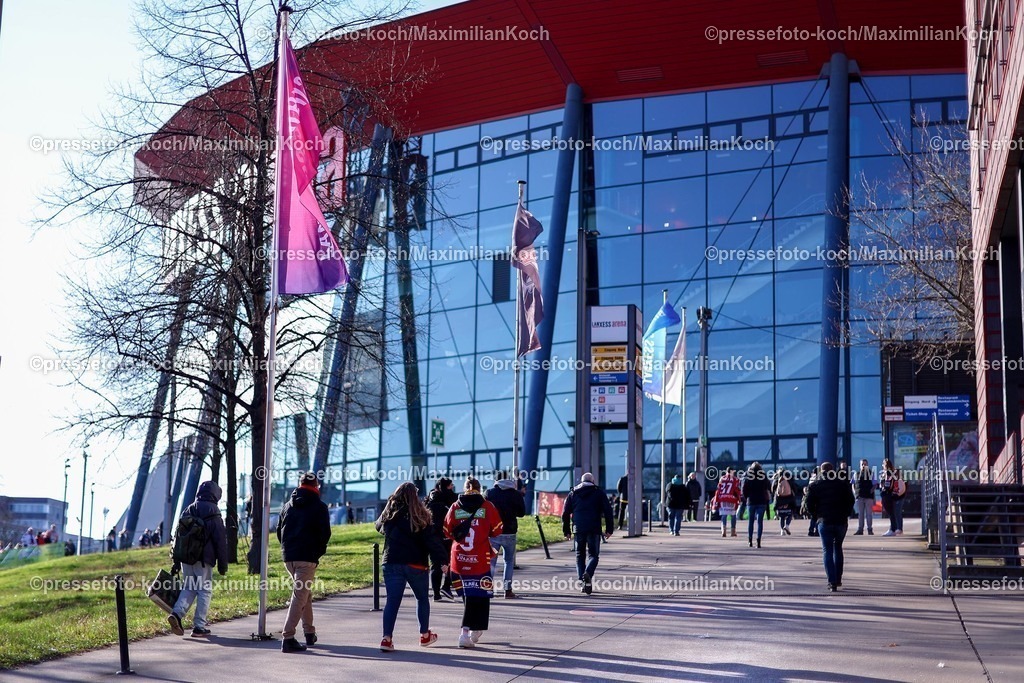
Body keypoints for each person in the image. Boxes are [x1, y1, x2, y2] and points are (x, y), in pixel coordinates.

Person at [375, 482, 446, 652]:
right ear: (416, 496)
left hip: (392, 562)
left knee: (392, 601)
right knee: (422, 598)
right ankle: (424, 635)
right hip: (416, 564)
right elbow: (432, 542)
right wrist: (443, 560)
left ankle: (386, 638)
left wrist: (389, 505)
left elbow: (378, 526)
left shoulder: (390, 515)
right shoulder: (421, 515)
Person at [443, 478, 503, 648]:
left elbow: (447, 531)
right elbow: (498, 530)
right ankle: (467, 631)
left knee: (468, 595)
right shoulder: (487, 506)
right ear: (479, 489)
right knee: (481, 593)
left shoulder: (455, 506)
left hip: (459, 559)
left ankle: (473, 630)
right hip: (480, 558)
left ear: (464, 489)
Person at [277, 471, 332, 653]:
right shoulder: (320, 506)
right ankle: (288, 637)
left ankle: (309, 633)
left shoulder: (287, 506)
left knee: (304, 594)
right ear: (316, 485)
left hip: (289, 557)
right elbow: (325, 534)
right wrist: (317, 553)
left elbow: (279, 530)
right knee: (300, 596)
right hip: (307, 558)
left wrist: (286, 549)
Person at [168, 480, 228, 638]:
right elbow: (220, 540)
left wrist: (176, 561)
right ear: (215, 494)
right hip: (204, 559)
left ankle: (177, 613)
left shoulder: (188, 509)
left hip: (186, 558)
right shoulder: (214, 511)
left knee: (189, 587)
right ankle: (199, 626)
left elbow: (178, 537)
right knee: (204, 591)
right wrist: (223, 564)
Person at [803, 462, 855, 591]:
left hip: (824, 520)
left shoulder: (815, 485)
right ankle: (838, 579)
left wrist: (816, 516)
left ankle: (831, 582)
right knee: (838, 548)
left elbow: (808, 504)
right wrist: (846, 513)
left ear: (821, 471)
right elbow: (851, 500)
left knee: (827, 550)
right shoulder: (842, 484)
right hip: (841, 521)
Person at [561, 472, 615, 595]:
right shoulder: (599, 493)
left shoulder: (573, 493)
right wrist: (609, 530)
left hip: (578, 528)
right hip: (594, 528)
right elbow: (608, 511)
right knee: (593, 555)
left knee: (579, 556)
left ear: (581, 481)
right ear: (593, 481)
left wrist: (567, 531)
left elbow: (565, 513)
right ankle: (588, 574)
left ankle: (582, 581)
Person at [485, 471, 526, 599]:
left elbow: (483, 511)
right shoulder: (515, 494)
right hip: (510, 532)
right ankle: (507, 591)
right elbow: (521, 513)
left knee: (491, 562)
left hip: (493, 532)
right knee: (508, 562)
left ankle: (488, 590)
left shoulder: (489, 493)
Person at [426, 477, 457, 601]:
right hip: (447, 535)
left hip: (433, 536)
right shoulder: (451, 499)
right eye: (450, 485)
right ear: (446, 487)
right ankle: (446, 586)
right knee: (451, 562)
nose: (452, 487)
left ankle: (436, 593)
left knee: (436, 564)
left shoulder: (429, 500)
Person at [741, 462, 770, 548]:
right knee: (759, 522)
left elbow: (744, 489)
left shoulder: (748, 476)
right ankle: (758, 541)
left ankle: (750, 540)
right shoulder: (763, 476)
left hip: (751, 501)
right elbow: (768, 485)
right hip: (761, 501)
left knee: (750, 522)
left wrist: (747, 498)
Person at [713, 468, 741, 537]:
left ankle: (723, 530)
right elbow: (737, 490)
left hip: (722, 498)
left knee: (724, 514)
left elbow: (718, 489)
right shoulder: (735, 479)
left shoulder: (722, 479)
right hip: (731, 498)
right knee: (733, 515)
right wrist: (739, 499)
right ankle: (733, 531)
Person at [853, 459, 876, 535]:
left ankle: (870, 529)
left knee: (869, 514)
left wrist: (871, 491)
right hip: (859, 497)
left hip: (868, 497)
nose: (863, 466)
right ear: (860, 465)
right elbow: (853, 484)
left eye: (865, 464)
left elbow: (875, 484)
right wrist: (855, 492)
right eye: (862, 464)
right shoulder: (856, 474)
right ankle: (860, 529)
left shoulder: (871, 474)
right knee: (860, 514)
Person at [772, 469, 797, 535]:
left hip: (779, 500)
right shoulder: (789, 478)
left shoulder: (777, 479)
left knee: (781, 516)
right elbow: (794, 488)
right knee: (790, 514)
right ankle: (787, 525)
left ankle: (782, 530)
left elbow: (772, 489)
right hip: (789, 499)